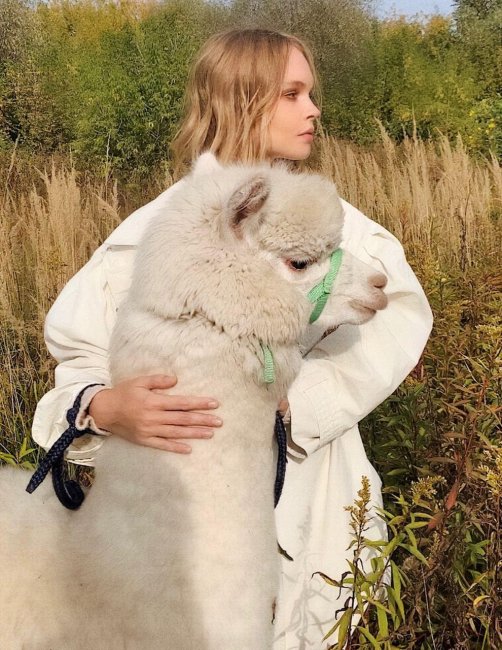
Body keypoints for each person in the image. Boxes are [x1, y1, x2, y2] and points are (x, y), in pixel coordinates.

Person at [32, 28, 433, 649]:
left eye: (311, 93)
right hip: (175, 520)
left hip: (309, 498)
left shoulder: (342, 234)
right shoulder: (153, 235)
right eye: (292, 94)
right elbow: (79, 350)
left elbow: (398, 320)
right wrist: (103, 407)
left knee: (305, 619)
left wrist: (290, 398)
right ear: (240, 99)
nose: (313, 110)